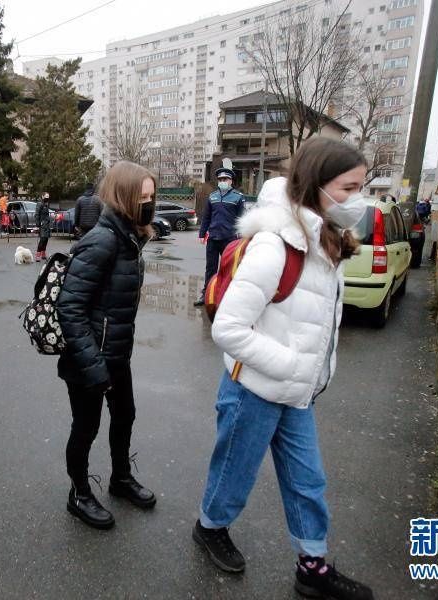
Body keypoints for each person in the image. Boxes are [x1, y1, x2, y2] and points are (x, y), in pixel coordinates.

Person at [193, 138, 374, 600]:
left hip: (296, 394)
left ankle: (311, 567)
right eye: (348, 187)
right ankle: (210, 527)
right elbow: (229, 328)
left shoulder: (326, 241)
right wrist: (292, 365)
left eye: (361, 187)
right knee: (235, 471)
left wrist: (305, 376)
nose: (357, 199)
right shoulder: (276, 245)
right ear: (317, 185)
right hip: (253, 388)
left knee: (308, 481)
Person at [56, 161, 158, 530]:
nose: (149, 203)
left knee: (125, 415)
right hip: (88, 361)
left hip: (115, 355)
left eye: (151, 196)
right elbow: (70, 307)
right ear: (123, 197)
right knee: (86, 428)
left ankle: (120, 477)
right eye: (142, 197)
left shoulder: (131, 236)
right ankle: (79, 494)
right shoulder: (102, 240)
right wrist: (94, 366)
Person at [193, 167, 245, 306]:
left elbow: (242, 220)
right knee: (210, 268)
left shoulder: (238, 197)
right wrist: (202, 233)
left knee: (228, 268)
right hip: (213, 238)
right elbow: (206, 217)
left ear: (231, 181)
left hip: (230, 239)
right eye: (220, 179)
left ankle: (227, 295)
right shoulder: (212, 197)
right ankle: (206, 294)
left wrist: (242, 239)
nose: (222, 181)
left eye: (225, 179)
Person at [35, 192, 52, 262]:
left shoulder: (46, 204)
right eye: (46, 197)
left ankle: (43, 254)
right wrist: (38, 225)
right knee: (42, 239)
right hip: (42, 225)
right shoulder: (39, 204)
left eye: (48, 197)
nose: (47, 198)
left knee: (46, 239)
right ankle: (38, 255)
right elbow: (37, 214)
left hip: (47, 224)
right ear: (42, 196)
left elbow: (46, 214)